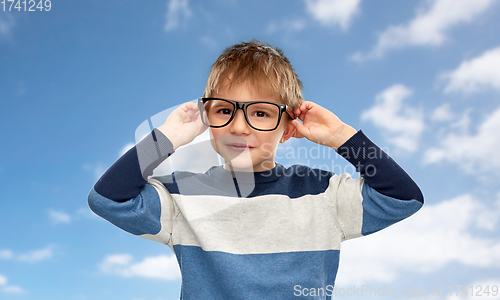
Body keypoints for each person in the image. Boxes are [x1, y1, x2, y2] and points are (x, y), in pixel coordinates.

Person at [88, 40, 424, 299]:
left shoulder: (322, 193)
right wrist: (165, 139)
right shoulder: (182, 196)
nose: (238, 126)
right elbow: (109, 199)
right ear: (208, 120)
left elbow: (402, 198)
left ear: (288, 127)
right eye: (223, 110)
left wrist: (340, 137)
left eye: (261, 113)